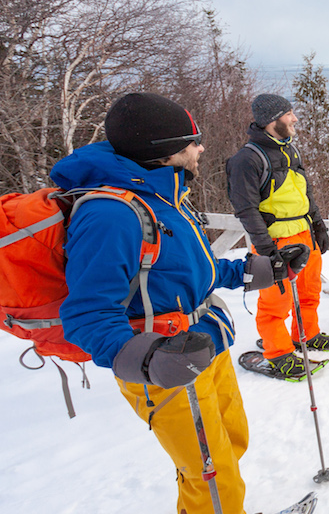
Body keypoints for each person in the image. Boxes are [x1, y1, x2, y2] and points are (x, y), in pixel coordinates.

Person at [52, 92, 306, 514]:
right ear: (164, 150)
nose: (201, 148)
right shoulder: (110, 214)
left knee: (230, 442)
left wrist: (262, 269)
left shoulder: (166, 197)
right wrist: (149, 359)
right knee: (211, 471)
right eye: (193, 141)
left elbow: (193, 271)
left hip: (206, 344)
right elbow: (86, 313)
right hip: (165, 360)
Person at [226, 94, 329, 378]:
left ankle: (306, 335)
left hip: (305, 235)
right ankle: (278, 352)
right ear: (272, 120)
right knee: (274, 304)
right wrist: (267, 251)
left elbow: (306, 192)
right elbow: (245, 209)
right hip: (277, 243)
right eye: (289, 114)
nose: (294, 119)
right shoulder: (247, 159)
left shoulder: (290, 151)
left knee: (309, 293)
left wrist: (318, 226)